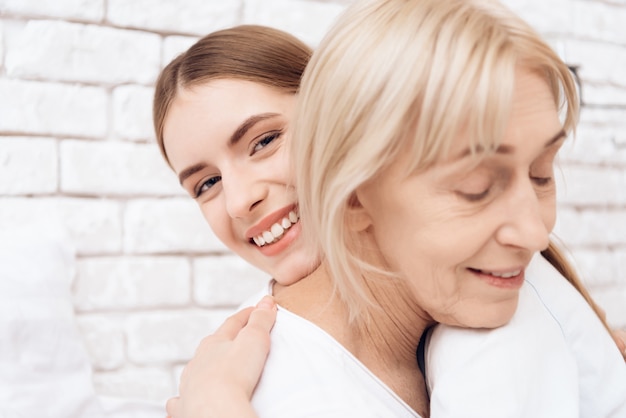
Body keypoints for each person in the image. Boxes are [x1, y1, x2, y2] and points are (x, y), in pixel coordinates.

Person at [153, 2, 626, 416]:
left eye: (266, 141)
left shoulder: (498, 293)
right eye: (207, 183)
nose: (240, 200)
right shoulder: (267, 373)